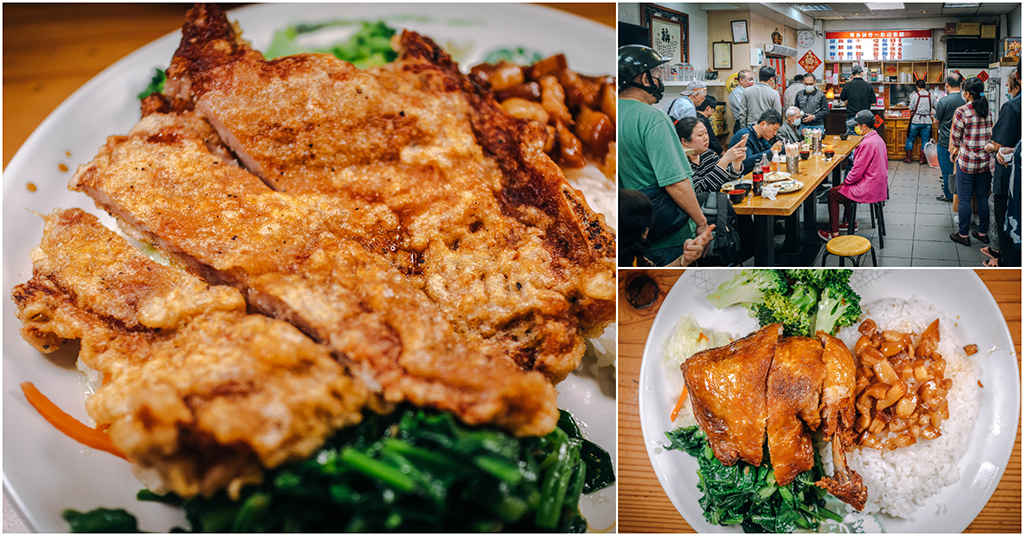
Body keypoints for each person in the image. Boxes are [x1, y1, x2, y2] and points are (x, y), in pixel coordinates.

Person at [617, 44, 710, 266]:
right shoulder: (653, 119)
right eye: (657, 74)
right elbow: (676, 182)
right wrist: (702, 223)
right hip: (666, 237)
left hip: (628, 239)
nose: (660, 80)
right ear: (643, 78)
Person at [818, 110, 888, 241]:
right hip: (878, 183)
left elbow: (857, 171)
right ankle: (850, 223)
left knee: (833, 193)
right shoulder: (877, 139)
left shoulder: (867, 143)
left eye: (857, 125)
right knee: (843, 187)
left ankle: (834, 233)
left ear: (864, 127)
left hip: (869, 186)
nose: (856, 128)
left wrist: (847, 181)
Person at [983, 63, 1021, 266]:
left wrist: (992, 148)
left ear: (1017, 79)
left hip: (1009, 172)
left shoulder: (1012, 106)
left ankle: (1005, 260)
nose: (1005, 89)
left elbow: (998, 143)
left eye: (1007, 85)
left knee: (1005, 214)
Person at [949, 77, 994, 247]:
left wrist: (956, 149)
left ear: (967, 93)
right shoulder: (987, 111)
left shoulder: (963, 111)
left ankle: (963, 235)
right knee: (983, 198)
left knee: (965, 199)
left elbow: (955, 138)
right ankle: (983, 233)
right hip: (985, 162)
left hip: (967, 162)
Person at [618, 189, 715, 267]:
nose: (647, 230)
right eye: (644, 226)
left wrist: (685, 259)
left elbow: (654, 276)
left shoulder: (637, 258)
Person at [675, 117, 747, 193]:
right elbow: (700, 190)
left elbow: (728, 179)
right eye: (700, 135)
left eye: (706, 133)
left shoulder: (708, 153)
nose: (706, 138)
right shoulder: (681, 164)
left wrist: (737, 161)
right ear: (685, 141)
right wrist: (724, 160)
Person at [933, 73, 965, 202]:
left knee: (947, 171)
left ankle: (949, 195)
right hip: (963, 142)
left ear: (946, 85)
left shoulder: (943, 101)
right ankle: (960, 194)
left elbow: (936, 121)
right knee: (961, 171)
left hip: (946, 141)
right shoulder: (965, 99)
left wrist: (942, 128)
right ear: (961, 85)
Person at [729, 109, 784, 174]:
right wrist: (771, 151)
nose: (775, 133)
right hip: (741, 178)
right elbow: (745, 163)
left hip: (758, 174)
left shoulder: (762, 137)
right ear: (763, 124)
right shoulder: (744, 135)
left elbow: (771, 152)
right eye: (774, 129)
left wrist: (788, 148)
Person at [904, 79, 935, 164]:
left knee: (910, 139)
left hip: (916, 121)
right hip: (927, 121)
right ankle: (922, 160)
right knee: (925, 141)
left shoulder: (914, 96)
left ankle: (908, 158)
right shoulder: (931, 95)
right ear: (925, 86)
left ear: (917, 87)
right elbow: (936, 106)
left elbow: (910, 108)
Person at [839, 64, 875, 135]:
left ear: (852, 74)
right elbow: (873, 103)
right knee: (864, 138)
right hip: (865, 118)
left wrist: (849, 82)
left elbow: (842, 98)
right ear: (862, 73)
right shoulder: (868, 86)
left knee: (852, 140)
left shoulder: (847, 85)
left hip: (852, 117)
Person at [729, 69, 754, 134]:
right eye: (749, 79)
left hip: (750, 123)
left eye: (752, 79)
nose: (751, 81)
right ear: (741, 80)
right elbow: (744, 109)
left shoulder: (749, 91)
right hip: (741, 124)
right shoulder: (736, 93)